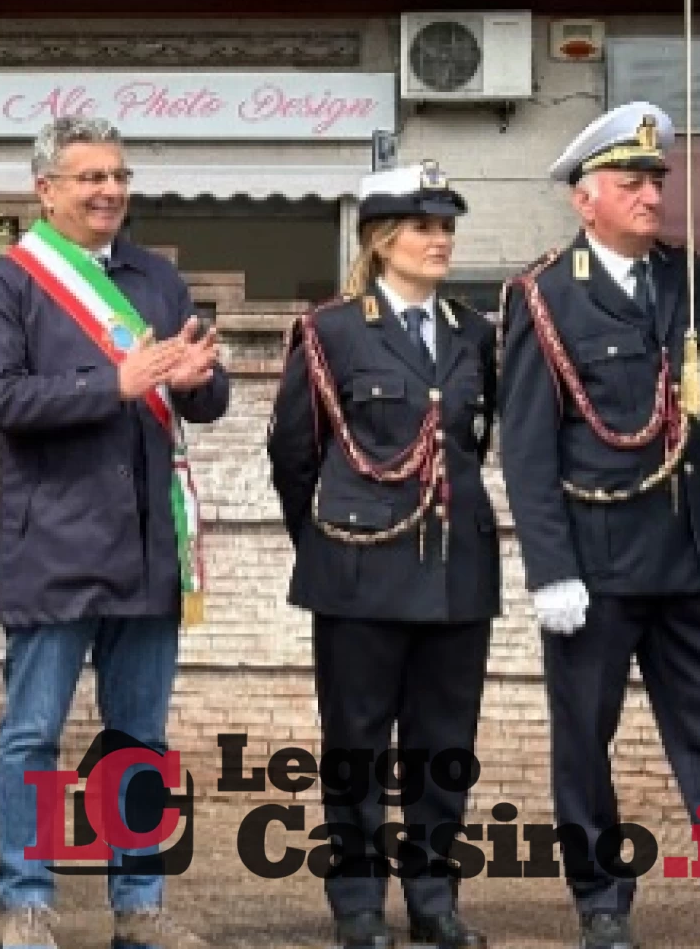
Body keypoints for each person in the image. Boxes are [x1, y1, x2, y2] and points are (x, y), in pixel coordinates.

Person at [498, 102, 700, 949]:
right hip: (595, 567)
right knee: (584, 741)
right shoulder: (543, 296)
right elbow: (527, 449)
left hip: (691, 556)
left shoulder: (689, 276)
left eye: (656, 181)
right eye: (631, 182)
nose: (652, 196)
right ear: (584, 198)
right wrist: (550, 570)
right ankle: (600, 900)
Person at [0, 115, 228, 949]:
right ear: (46, 190)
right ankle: (27, 903)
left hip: (148, 547)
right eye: (91, 177)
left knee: (139, 738)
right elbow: (0, 398)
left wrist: (199, 380)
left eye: (119, 176)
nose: (110, 190)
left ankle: (139, 906)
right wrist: (111, 382)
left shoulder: (157, 278)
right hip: (53, 542)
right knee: (33, 736)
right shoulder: (8, 283)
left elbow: (204, 401)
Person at [266, 162, 497, 949]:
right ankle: (358, 903)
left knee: (445, 745)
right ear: (382, 238)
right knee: (357, 746)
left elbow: (469, 446)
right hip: (359, 572)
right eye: (424, 227)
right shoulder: (331, 331)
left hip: (457, 573)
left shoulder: (475, 333)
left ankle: (434, 900)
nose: (441, 240)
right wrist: (329, 543)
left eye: (447, 227)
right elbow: (295, 454)